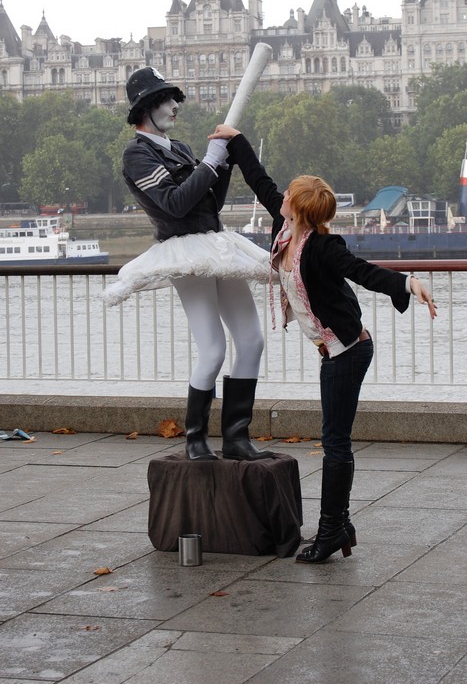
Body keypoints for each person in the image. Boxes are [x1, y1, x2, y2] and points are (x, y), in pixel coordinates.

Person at [209, 124, 437, 563]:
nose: (283, 198)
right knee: (335, 438)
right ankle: (342, 522)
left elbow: (365, 272)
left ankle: (331, 528)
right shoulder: (285, 227)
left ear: (298, 207)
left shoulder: (324, 247)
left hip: (348, 352)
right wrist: (235, 141)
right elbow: (261, 181)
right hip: (333, 351)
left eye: (289, 196)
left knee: (335, 442)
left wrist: (408, 283)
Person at [112, 67, 274, 462]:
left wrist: (224, 162)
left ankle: (237, 437)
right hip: (184, 252)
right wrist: (210, 163)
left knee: (252, 339)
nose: (175, 106)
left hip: (215, 243)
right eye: (167, 99)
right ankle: (196, 438)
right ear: (146, 108)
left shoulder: (180, 149)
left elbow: (209, 203)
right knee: (213, 350)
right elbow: (174, 204)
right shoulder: (136, 154)